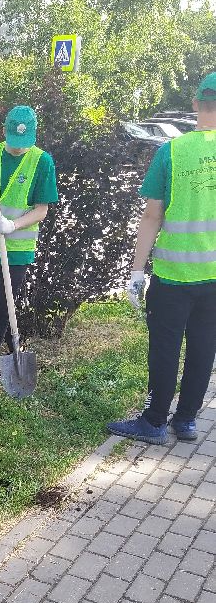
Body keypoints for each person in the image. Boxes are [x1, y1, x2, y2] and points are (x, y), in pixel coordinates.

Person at [108, 71, 216, 446]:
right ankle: (185, 421)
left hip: (173, 276)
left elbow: (152, 215)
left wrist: (137, 271)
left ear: (194, 104)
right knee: (205, 348)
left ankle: (154, 422)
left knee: (166, 348)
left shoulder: (170, 152)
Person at [0, 105, 58, 382]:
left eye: (23, 144)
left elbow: (42, 210)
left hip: (17, 249)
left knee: (4, 305)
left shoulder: (42, 161)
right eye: (14, 143)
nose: (18, 149)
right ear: (5, 132)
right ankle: (15, 346)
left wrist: (12, 225)